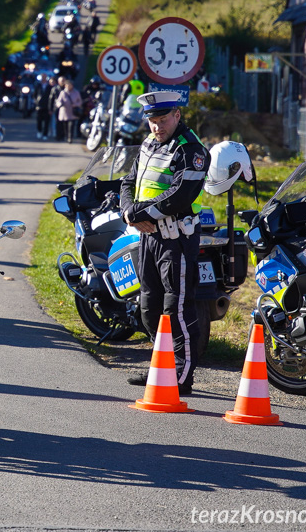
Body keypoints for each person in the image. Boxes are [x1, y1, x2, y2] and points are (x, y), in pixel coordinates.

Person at [119, 91, 211, 395]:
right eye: (152, 121)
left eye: (163, 120)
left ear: (177, 116)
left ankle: (182, 377)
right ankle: (162, 366)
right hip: (148, 237)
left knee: (177, 308)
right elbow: (128, 182)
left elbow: (180, 194)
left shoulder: (191, 149)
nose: (157, 126)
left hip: (176, 240)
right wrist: (128, 213)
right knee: (149, 306)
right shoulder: (148, 144)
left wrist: (137, 213)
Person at [54, 79, 83, 143]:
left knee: (71, 125)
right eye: (67, 85)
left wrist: (75, 104)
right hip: (64, 112)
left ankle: (70, 137)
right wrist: (59, 105)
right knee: (65, 126)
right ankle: (66, 136)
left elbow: (80, 101)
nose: (69, 86)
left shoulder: (76, 92)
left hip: (73, 112)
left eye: (70, 85)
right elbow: (58, 101)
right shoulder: (63, 93)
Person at [35, 75, 56, 140]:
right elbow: (35, 94)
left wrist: (51, 108)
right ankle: (39, 131)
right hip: (39, 105)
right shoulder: (38, 85)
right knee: (39, 120)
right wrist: (36, 102)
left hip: (47, 106)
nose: (43, 79)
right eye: (42, 77)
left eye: (44, 77)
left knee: (47, 121)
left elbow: (52, 98)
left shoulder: (50, 87)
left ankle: (45, 134)